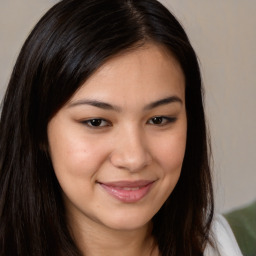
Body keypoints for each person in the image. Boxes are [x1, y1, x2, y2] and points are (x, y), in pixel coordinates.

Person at [0, 0, 242, 255]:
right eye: (96, 122)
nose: (134, 158)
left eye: (159, 119)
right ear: (38, 129)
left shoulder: (214, 243)